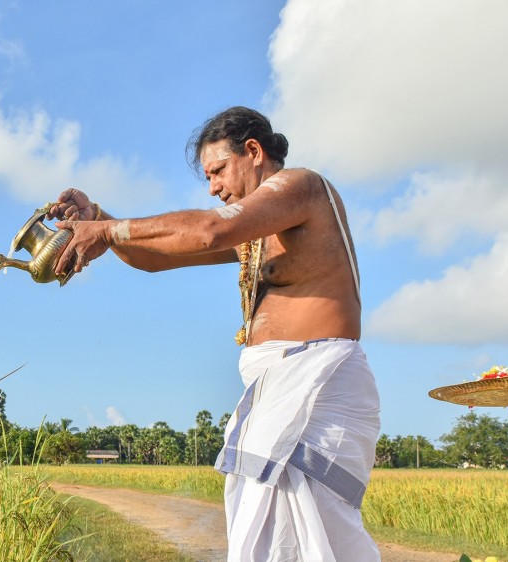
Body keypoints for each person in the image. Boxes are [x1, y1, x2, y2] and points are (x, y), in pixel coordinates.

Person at [46, 106, 381, 562]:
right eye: (208, 177)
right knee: (275, 538)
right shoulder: (254, 232)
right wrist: (101, 220)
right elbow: (157, 257)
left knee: (316, 532)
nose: (213, 187)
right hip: (275, 390)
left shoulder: (301, 186)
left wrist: (106, 229)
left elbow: (209, 230)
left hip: (317, 381)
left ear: (254, 151)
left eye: (219, 170)